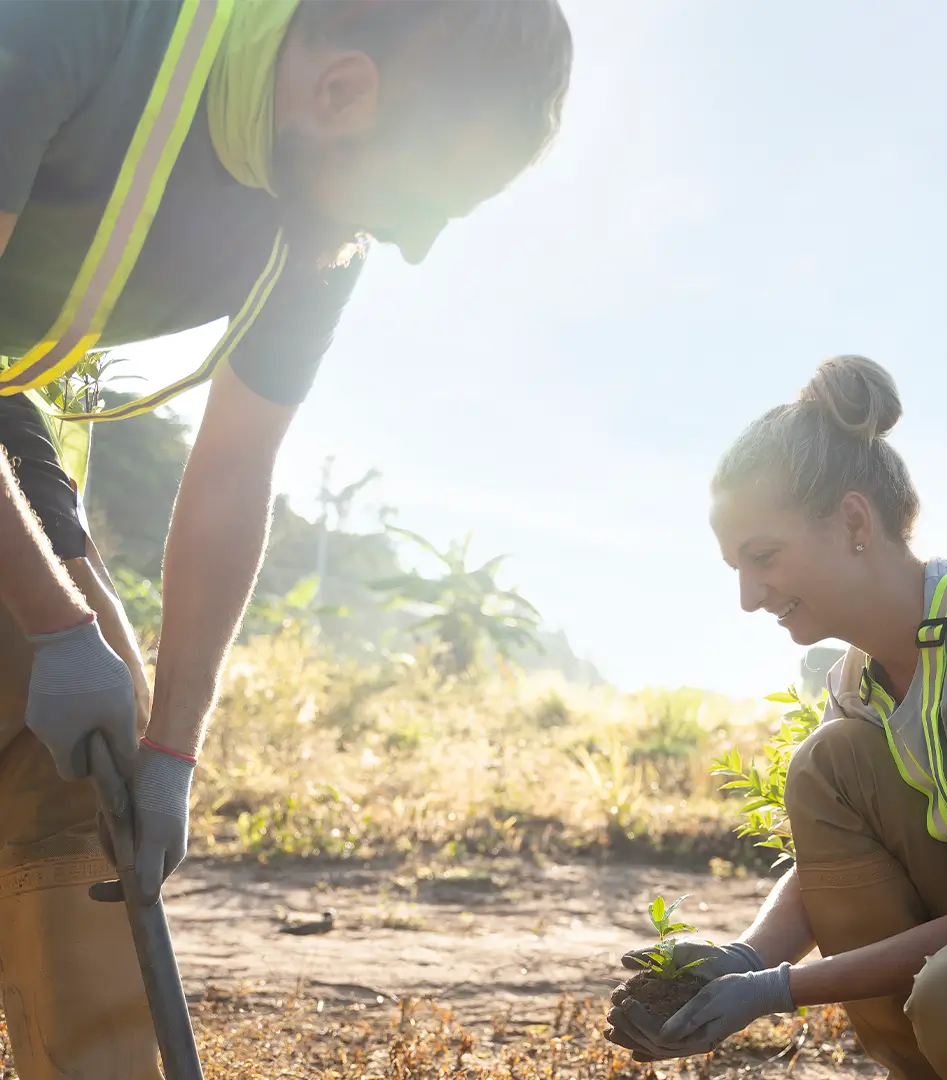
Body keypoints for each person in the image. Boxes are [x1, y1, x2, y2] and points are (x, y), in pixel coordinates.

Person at [0, 1, 572, 1076]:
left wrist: (170, 747)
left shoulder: (324, 221)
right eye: (425, 200)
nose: (415, 244)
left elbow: (231, 474)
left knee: (92, 750)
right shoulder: (70, 28)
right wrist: (47, 617)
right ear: (342, 90)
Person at [604, 355, 947, 1080]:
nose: (749, 595)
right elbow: (830, 870)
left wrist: (776, 991)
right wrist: (749, 956)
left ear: (855, 520)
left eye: (763, 556)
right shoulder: (860, 676)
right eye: (735, 566)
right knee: (830, 763)